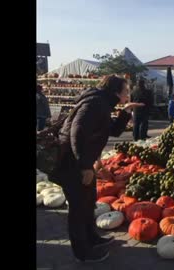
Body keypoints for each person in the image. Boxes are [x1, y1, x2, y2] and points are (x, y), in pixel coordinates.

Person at [51, 75, 143, 263]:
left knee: (88, 201)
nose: (128, 94)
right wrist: (84, 166)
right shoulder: (95, 104)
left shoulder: (103, 104)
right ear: (116, 92)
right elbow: (77, 132)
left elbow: (114, 131)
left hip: (80, 162)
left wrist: (125, 112)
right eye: (126, 91)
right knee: (78, 206)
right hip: (71, 163)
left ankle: (92, 238)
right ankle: (83, 252)